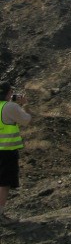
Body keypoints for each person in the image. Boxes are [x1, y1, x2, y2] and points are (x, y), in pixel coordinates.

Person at [0, 82, 31, 225]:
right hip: (6, 151)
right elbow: (26, 120)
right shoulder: (10, 107)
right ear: (8, 93)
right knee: (4, 183)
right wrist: (24, 105)